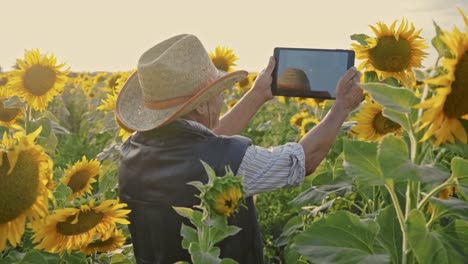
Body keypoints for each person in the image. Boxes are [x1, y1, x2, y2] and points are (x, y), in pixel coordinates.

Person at [116, 34, 363, 264]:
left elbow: (202, 145)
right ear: (201, 107)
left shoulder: (130, 152)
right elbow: (303, 160)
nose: (222, 98)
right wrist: (341, 108)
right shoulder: (230, 163)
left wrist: (257, 94)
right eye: (218, 92)